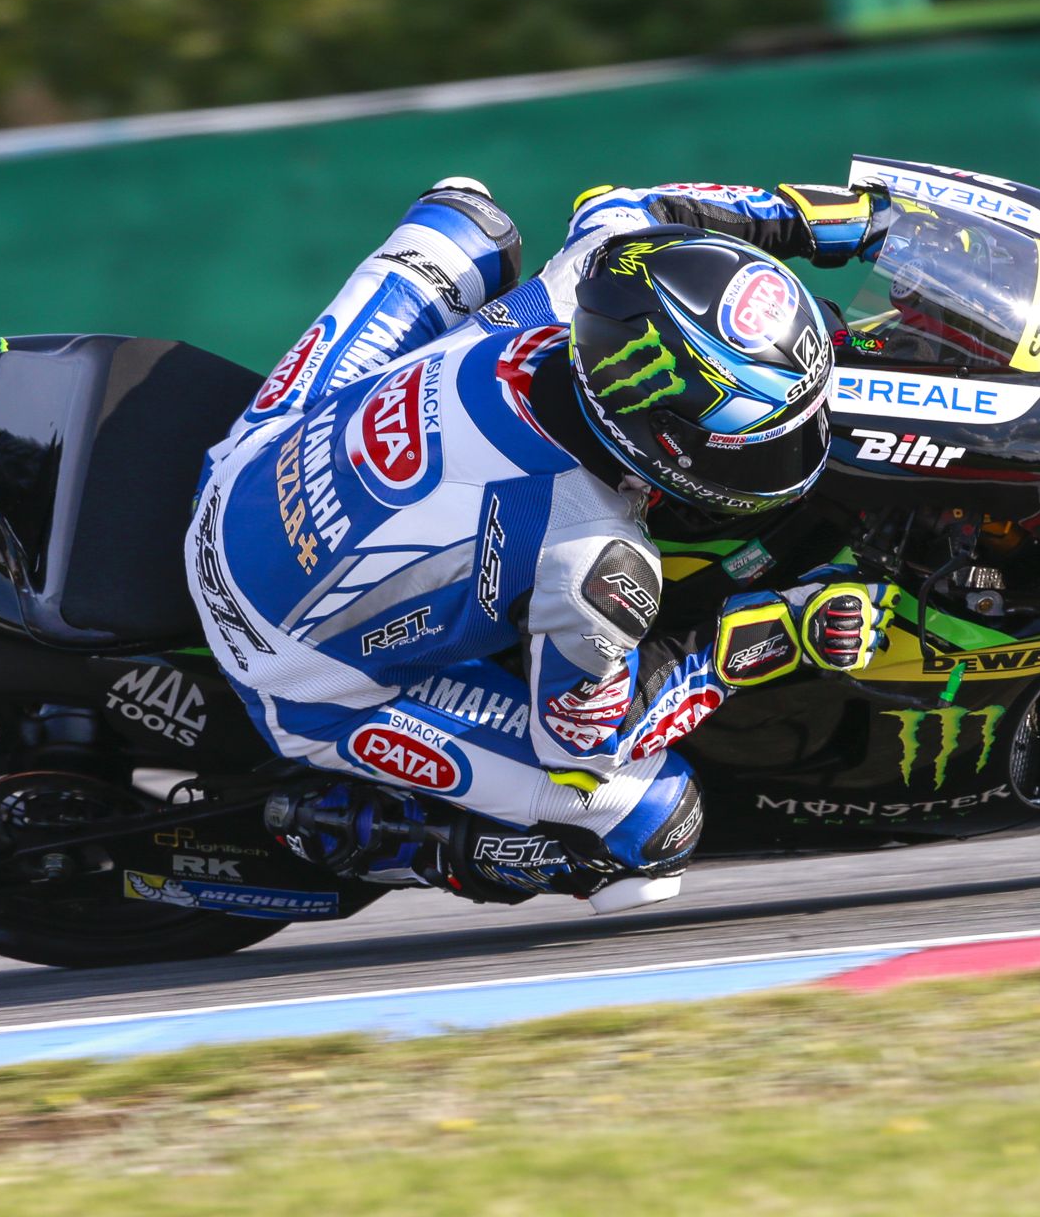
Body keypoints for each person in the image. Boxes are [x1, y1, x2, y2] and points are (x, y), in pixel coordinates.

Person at [185, 177, 896, 913]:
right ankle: (378, 840)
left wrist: (808, 220)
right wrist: (772, 636)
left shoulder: (585, 284)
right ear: (661, 439)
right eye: (758, 445)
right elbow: (584, 749)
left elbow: (634, 205)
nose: (787, 452)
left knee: (467, 213)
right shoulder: (592, 557)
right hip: (291, 665)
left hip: (250, 463)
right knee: (651, 819)